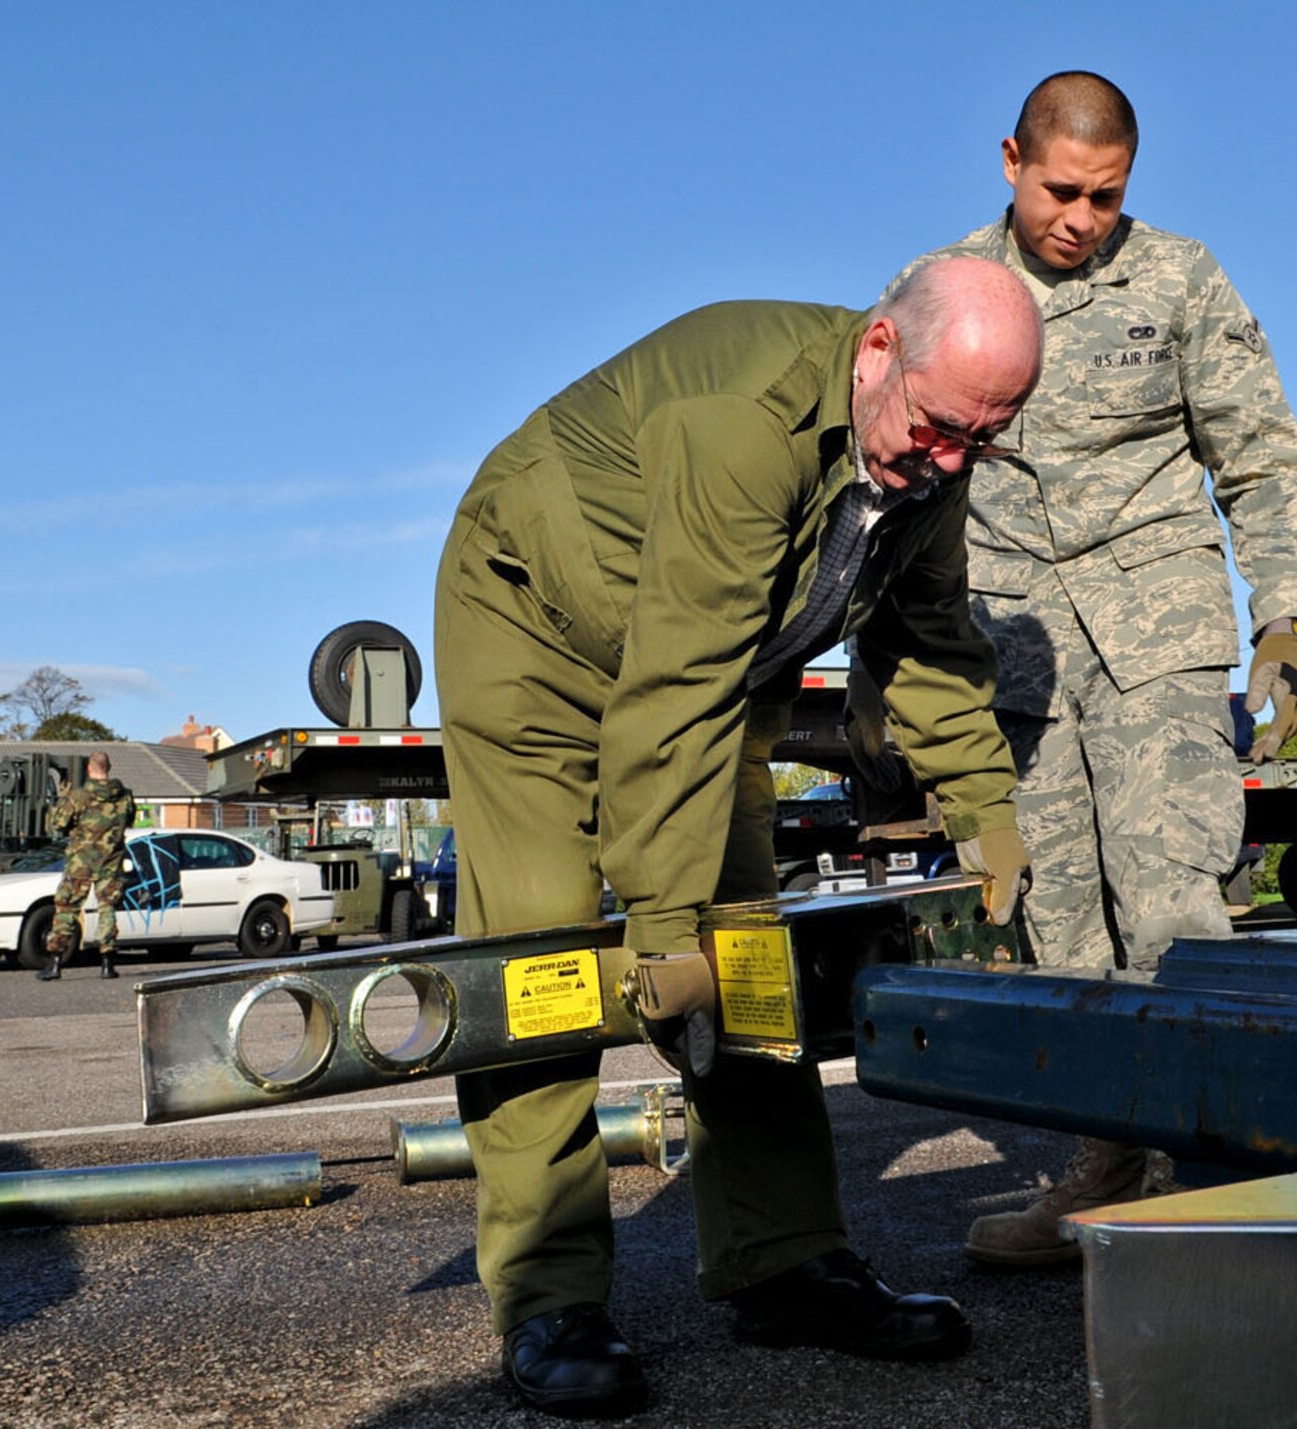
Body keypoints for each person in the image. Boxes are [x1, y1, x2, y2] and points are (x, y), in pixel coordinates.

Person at [434, 255, 1041, 1419]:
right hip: (538, 632)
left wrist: (985, 806)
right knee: (542, 959)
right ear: (876, 353)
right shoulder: (742, 423)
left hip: (698, 675)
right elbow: (677, 683)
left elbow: (928, 644)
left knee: (747, 961)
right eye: (938, 427)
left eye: (985, 438)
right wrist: (659, 927)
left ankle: (782, 1260)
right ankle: (550, 1295)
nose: (951, 461)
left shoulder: (933, 449)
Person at [900, 72, 1297, 1265]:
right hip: (1014, 653)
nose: (1080, 219)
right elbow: (895, 488)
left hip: (1155, 630)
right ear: (1008, 160)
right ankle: (1096, 1181)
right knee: (1057, 929)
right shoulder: (940, 294)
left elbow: (1261, 456)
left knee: (1172, 912)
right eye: (1060, 190)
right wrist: (903, 699)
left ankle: (1209, 1187)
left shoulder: (1180, 279)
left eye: (1104, 196)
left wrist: (1284, 618)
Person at [39, 750, 136, 981]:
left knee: (66, 910)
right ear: (108, 768)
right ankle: (107, 965)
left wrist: (62, 798)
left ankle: (54, 965)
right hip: (110, 864)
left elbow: (58, 824)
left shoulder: (79, 796)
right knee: (107, 911)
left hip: (80, 865)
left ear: (90, 769)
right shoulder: (125, 797)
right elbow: (129, 821)